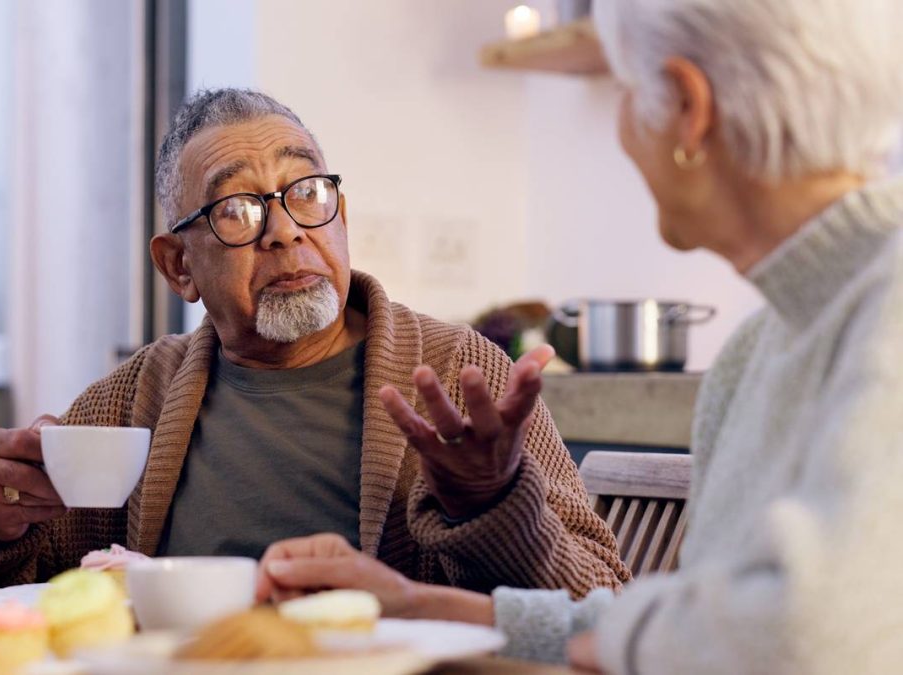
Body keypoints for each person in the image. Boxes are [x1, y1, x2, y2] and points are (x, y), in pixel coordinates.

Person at [255, 1, 903, 672]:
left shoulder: (886, 312)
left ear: (686, 107)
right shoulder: (756, 347)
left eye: (626, 90)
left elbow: (804, 637)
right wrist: (411, 604)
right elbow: (694, 623)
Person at [0, 88, 628, 599]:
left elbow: (598, 604)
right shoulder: (136, 397)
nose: (284, 230)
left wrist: (491, 502)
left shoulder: (458, 372)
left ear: (340, 214)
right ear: (178, 265)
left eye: (306, 192)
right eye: (237, 209)